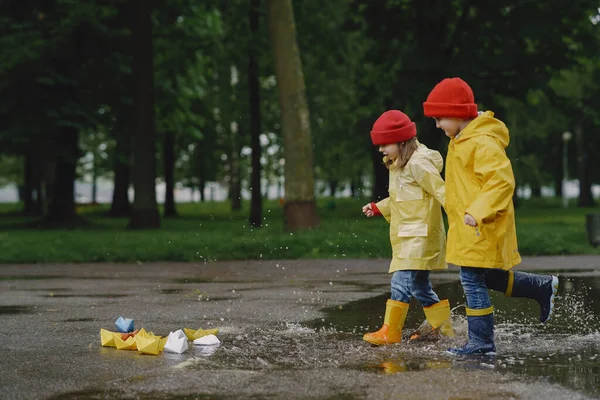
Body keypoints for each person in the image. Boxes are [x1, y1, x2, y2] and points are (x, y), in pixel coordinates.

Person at [422, 77, 559, 355]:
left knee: (472, 278)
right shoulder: (460, 139)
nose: (437, 125)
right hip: (469, 224)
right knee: (484, 275)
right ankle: (540, 287)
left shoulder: (482, 142)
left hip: (481, 223)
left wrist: (477, 210)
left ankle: (482, 343)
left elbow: (501, 182)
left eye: (439, 118)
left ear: (457, 113)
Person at [362, 110, 454, 346]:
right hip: (409, 234)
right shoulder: (398, 165)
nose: (381, 150)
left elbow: (442, 191)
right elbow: (402, 200)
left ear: (401, 141)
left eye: (385, 144)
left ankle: (390, 332)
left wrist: (462, 216)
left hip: (419, 237)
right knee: (420, 286)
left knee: (400, 282)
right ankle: (441, 328)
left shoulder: (418, 164)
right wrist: (379, 207)